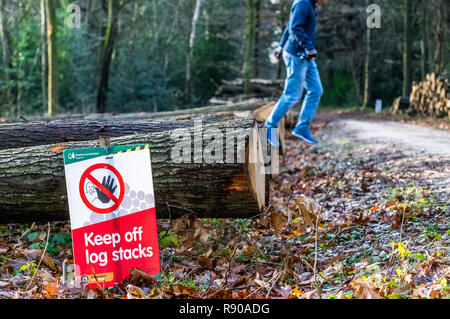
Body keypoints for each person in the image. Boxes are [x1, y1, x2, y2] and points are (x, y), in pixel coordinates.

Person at [266, 0, 323, 146]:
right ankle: (269, 126)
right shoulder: (303, 3)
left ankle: (302, 128)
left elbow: (289, 25)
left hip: (305, 56)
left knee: (316, 90)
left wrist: (280, 45)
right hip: (297, 56)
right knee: (292, 95)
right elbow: (295, 27)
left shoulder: (309, 4)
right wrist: (309, 47)